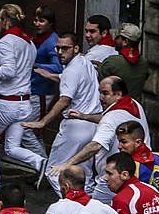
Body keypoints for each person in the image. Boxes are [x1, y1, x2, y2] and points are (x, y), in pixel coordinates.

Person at [51, 76, 150, 204]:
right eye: (100, 92)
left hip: (113, 178)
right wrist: (85, 117)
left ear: (118, 94)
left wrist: (67, 163)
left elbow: (95, 145)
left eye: (105, 93)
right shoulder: (133, 104)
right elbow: (108, 119)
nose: (100, 97)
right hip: (139, 169)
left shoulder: (111, 118)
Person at [0, 4, 46, 196]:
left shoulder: (5, 42)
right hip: (24, 103)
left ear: (7, 21)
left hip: (5, 102)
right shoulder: (29, 43)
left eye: (1, 19)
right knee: (11, 147)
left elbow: (8, 72)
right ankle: (40, 162)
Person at [24, 34, 102, 191]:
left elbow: (65, 99)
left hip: (74, 128)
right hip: (92, 125)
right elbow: (73, 80)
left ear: (76, 48)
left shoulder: (71, 71)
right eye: (58, 48)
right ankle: (87, 207)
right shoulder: (84, 62)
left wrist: (43, 122)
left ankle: (69, 204)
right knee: (83, 174)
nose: (60, 52)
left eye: (65, 48)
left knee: (53, 171)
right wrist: (51, 75)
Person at [117, 121, 159, 200]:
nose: (119, 146)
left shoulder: (126, 165)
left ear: (138, 142)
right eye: (119, 141)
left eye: (124, 142)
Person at [31, 5, 63, 122]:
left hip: (43, 91)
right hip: (34, 89)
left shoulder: (52, 41)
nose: (37, 24)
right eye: (36, 20)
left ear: (50, 23)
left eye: (41, 21)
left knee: (30, 129)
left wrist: (36, 66)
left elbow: (58, 67)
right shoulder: (38, 38)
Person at [99, 23, 149, 97]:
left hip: (116, 105)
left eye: (117, 37)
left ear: (125, 42)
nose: (115, 40)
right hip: (134, 106)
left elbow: (101, 83)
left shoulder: (111, 62)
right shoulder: (144, 63)